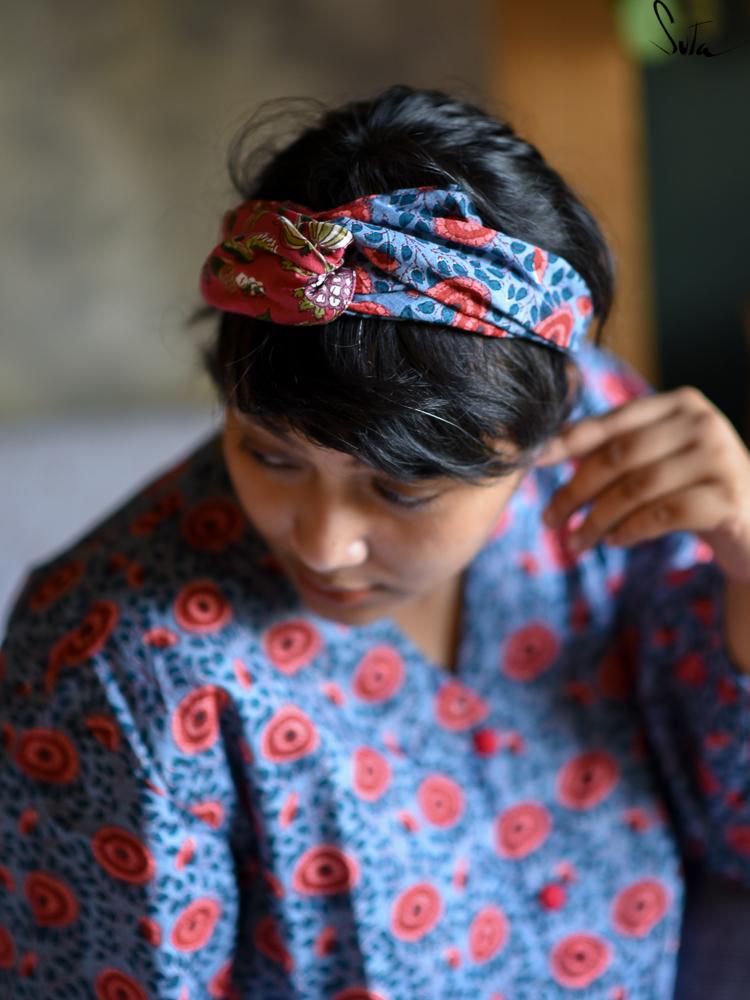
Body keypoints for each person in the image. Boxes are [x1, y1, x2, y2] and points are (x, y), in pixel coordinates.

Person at [2, 83, 750, 1000]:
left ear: (548, 424)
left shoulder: (607, 460)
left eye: (401, 489)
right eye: (268, 455)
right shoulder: (115, 673)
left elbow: (738, 836)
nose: (324, 546)